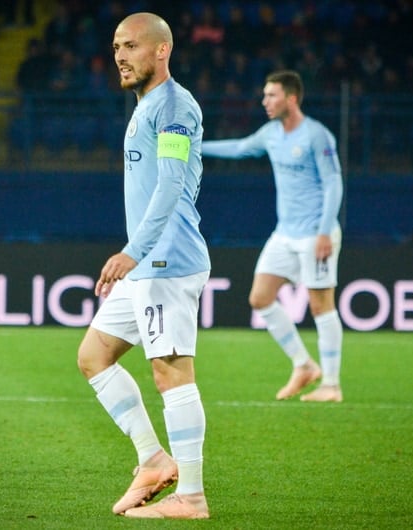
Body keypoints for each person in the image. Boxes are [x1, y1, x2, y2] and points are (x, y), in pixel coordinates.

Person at [76, 12, 210, 520]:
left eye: (130, 46)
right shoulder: (147, 106)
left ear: (161, 50)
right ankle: (153, 460)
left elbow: (172, 185)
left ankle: (192, 498)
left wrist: (133, 250)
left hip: (167, 259)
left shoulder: (174, 106)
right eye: (115, 48)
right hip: (146, 263)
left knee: (170, 372)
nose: (120, 57)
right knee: (94, 356)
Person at [202, 70, 345, 403]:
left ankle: (332, 385)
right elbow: (239, 147)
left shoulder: (316, 136)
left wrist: (325, 231)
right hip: (284, 233)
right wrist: (194, 146)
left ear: (291, 98)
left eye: (271, 95)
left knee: (321, 305)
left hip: (314, 234)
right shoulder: (271, 134)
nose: (265, 101)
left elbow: (333, 183)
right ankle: (303, 364)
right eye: (265, 95)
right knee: (259, 298)